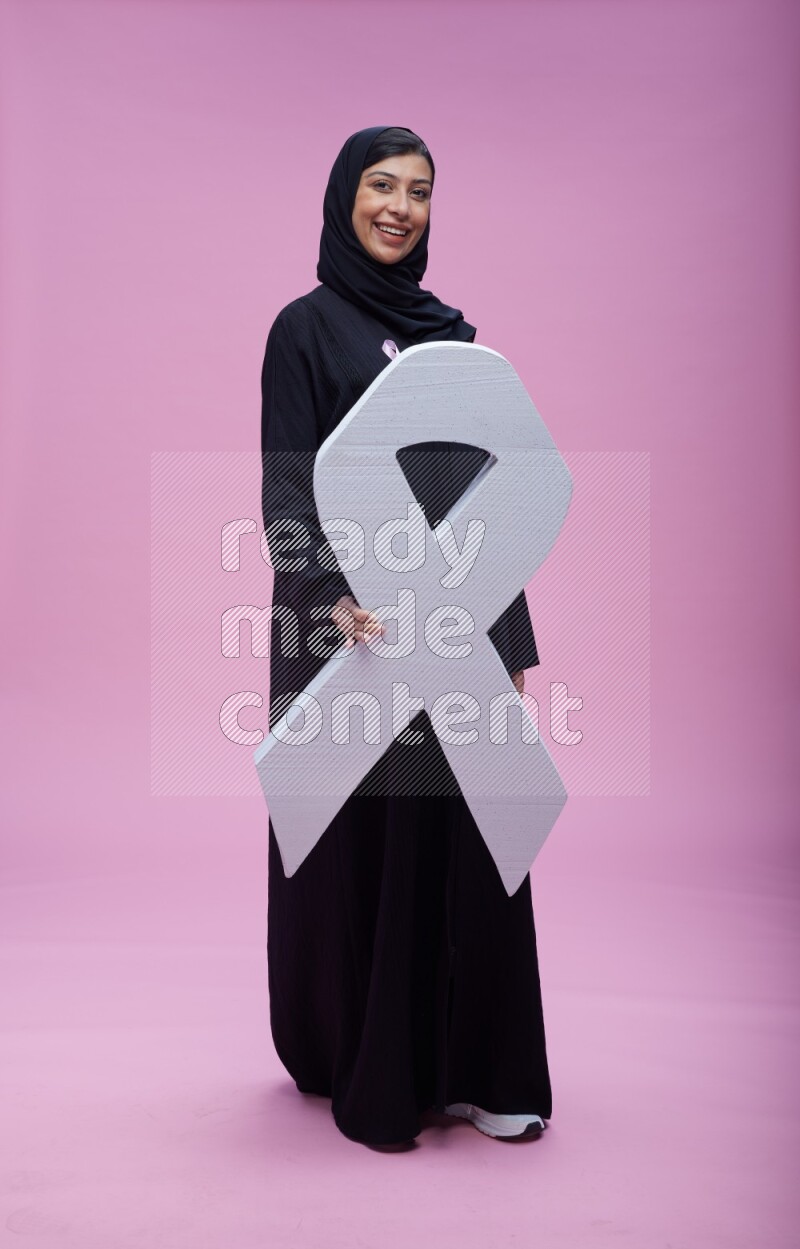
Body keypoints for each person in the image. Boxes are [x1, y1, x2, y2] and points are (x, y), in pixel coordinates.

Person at [260, 125, 552, 1147]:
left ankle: (479, 1072)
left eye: (419, 190)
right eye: (381, 185)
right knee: (368, 847)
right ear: (345, 197)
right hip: (353, 628)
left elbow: (492, 501)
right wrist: (332, 599)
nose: (399, 206)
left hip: (454, 624)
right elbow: (287, 492)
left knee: (474, 834)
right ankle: (367, 1062)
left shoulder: (455, 343)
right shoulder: (303, 330)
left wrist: (511, 644)